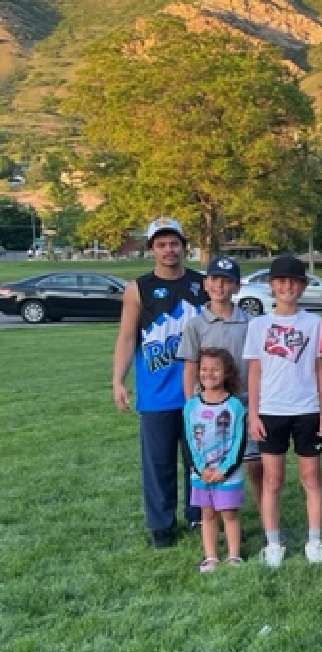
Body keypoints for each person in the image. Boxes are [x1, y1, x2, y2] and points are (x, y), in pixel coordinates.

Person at [112, 217, 207, 548]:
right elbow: (126, 338)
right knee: (158, 464)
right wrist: (118, 380)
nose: (169, 249)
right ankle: (161, 526)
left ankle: (200, 516)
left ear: (183, 246)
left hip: (198, 393)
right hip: (156, 395)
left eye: (174, 243)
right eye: (162, 244)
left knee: (199, 460)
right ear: (152, 248)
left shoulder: (202, 284)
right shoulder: (138, 289)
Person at [243, 255, 322, 568]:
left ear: (302, 286)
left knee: (311, 477)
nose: (287, 287)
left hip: (307, 409)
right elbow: (254, 372)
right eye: (280, 281)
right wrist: (253, 414)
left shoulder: (314, 323)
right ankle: (274, 542)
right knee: (272, 480)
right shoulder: (258, 325)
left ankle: (315, 539)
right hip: (271, 410)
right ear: (271, 286)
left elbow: (321, 369)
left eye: (293, 281)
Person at [178, 255, 261, 514]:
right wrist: (192, 405)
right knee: (213, 466)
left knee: (255, 467)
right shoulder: (196, 325)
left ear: (236, 287)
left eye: (227, 281)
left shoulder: (250, 323)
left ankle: (266, 522)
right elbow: (190, 366)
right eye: (214, 280)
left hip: (244, 406)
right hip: (210, 411)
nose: (220, 286)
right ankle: (214, 523)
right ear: (206, 284)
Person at [184, 348, 247, 573]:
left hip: (227, 472)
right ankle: (210, 557)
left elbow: (239, 443)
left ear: (227, 373)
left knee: (229, 513)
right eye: (204, 369)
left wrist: (224, 470)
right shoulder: (191, 406)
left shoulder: (235, 406)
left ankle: (233, 556)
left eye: (215, 369)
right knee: (207, 514)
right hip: (201, 473)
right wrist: (200, 469)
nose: (208, 374)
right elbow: (189, 441)